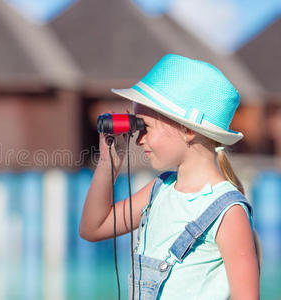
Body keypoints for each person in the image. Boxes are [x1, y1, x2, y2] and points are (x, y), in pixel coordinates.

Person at [79, 54, 260, 300]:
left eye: (145, 127)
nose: (138, 139)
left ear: (187, 130)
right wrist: (108, 163)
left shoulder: (228, 211)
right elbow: (93, 228)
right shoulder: (159, 191)